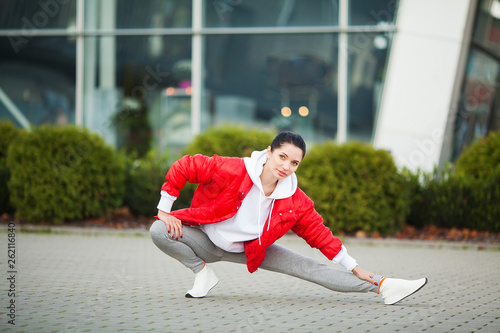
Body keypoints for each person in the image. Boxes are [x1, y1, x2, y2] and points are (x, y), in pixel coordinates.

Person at [150, 131, 427, 305]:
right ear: (269, 152)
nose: (286, 166)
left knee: (310, 268)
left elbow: (321, 236)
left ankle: (382, 285)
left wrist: (355, 267)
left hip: (253, 251)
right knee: (159, 230)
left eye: (294, 163)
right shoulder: (231, 169)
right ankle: (202, 273)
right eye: (282, 156)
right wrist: (165, 208)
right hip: (206, 240)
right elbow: (185, 166)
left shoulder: (296, 200)